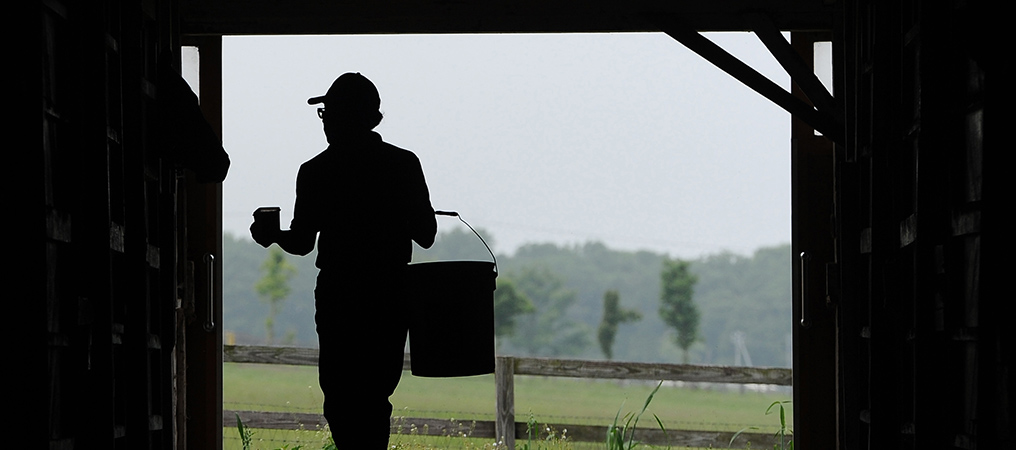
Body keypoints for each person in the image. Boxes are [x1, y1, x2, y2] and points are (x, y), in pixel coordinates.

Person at [250, 72, 437, 448]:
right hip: (388, 297)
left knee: (340, 398)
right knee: (374, 397)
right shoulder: (402, 165)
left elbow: (302, 243)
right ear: (374, 120)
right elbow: (427, 235)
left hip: (340, 299)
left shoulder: (316, 171)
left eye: (329, 113)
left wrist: (271, 235)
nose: (326, 122)